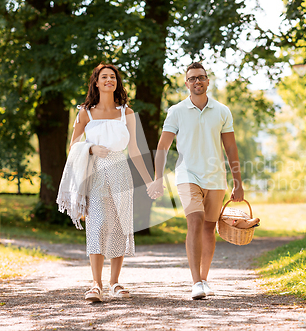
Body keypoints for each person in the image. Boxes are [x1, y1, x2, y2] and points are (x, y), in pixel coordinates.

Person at [148, 62, 244, 299]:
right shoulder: (176, 111)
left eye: (201, 78)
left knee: (209, 228)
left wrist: (238, 182)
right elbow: (163, 146)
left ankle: (204, 279)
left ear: (208, 81)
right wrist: (158, 178)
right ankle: (195, 283)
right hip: (187, 174)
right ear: (186, 83)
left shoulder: (222, 111)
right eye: (192, 78)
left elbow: (230, 147)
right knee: (195, 220)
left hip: (215, 177)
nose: (197, 82)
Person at [65, 63, 155, 302]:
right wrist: (91, 148)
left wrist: (149, 181)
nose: (109, 80)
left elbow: (135, 150)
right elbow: (73, 147)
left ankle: (115, 282)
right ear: (96, 82)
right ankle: (96, 284)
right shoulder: (85, 113)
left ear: (117, 82)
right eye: (104, 77)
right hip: (94, 173)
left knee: (119, 225)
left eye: (112, 77)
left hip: (121, 171)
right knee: (97, 224)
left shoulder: (126, 113)